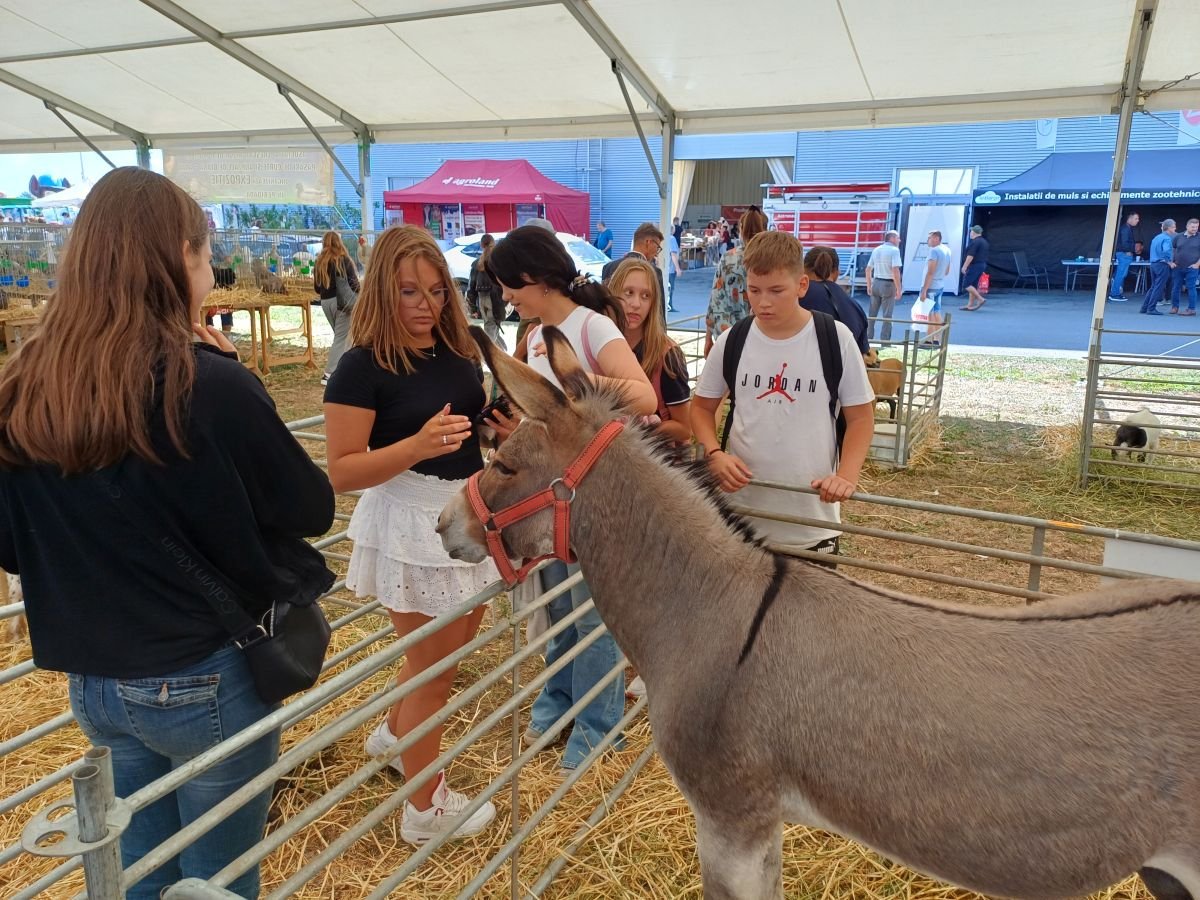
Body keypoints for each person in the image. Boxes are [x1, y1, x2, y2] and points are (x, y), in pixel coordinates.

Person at [0, 167, 335, 900]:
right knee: (216, 882)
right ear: (175, 256)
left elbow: (8, 542)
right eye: (203, 254)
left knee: (143, 871)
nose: (210, 272)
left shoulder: (23, 388)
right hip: (202, 676)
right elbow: (310, 509)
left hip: (95, 684)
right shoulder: (207, 384)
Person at [324, 225, 500, 845]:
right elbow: (341, 471)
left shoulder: (456, 352)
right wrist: (416, 446)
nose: (427, 304)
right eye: (409, 291)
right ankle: (424, 809)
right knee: (435, 671)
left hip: (464, 512)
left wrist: (491, 429)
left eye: (436, 290)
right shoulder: (359, 367)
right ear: (381, 292)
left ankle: (396, 736)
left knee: (437, 659)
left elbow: (466, 429)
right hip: (409, 522)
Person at [487, 225, 655, 775]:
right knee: (556, 608)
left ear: (534, 278)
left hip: (596, 498)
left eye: (511, 285)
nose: (507, 296)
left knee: (593, 617)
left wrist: (575, 393)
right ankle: (557, 703)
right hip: (551, 500)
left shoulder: (591, 326)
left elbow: (643, 394)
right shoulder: (536, 337)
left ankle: (598, 726)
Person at [691, 230, 875, 565]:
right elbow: (702, 407)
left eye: (777, 291)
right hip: (740, 519)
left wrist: (846, 476)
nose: (763, 302)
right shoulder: (734, 340)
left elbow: (861, 417)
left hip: (810, 522)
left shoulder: (835, 339)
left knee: (808, 616)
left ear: (802, 285)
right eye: (754, 290)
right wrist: (714, 453)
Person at [704, 205, 768, 356]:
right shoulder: (772, 260)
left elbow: (715, 299)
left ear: (741, 229)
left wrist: (708, 339)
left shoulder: (728, 257)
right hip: (763, 338)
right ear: (766, 229)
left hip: (729, 340)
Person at [802, 246, 871, 354]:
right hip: (841, 369)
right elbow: (859, 357)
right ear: (837, 272)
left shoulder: (793, 297)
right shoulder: (855, 307)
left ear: (803, 269)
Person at [314, 231, 360, 386]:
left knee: (342, 337)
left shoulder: (319, 261)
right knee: (342, 338)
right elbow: (354, 283)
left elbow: (316, 287)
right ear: (339, 242)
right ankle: (329, 374)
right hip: (342, 303)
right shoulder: (343, 259)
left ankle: (345, 370)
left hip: (325, 302)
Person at [467, 233, 507, 349]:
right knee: (492, 326)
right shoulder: (499, 263)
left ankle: (501, 353)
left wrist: (473, 307)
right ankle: (488, 355)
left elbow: (471, 287)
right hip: (497, 300)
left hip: (483, 300)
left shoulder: (476, 264)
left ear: (481, 245)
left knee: (491, 326)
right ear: (494, 244)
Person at [865, 230, 903, 342]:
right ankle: (884, 341)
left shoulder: (876, 249)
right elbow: (895, 270)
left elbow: (868, 269)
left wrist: (869, 285)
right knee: (887, 315)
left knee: (872, 314)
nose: (899, 240)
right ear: (892, 238)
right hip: (888, 284)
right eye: (898, 238)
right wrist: (899, 289)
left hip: (876, 282)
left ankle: (868, 338)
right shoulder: (894, 250)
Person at [919, 231, 952, 344]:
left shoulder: (934, 251)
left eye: (929, 238)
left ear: (936, 238)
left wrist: (924, 290)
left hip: (931, 286)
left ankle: (929, 340)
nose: (928, 240)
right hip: (940, 285)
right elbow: (947, 271)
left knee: (929, 313)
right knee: (937, 312)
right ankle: (937, 338)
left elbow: (930, 272)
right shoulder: (947, 250)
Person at [1141, 219, 1176, 316]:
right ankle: (1151, 308)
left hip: (1153, 264)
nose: (1175, 229)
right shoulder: (1167, 239)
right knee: (1158, 287)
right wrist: (1169, 262)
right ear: (1169, 228)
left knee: (1153, 286)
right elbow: (1166, 251)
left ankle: (1144, 307)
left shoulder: (1156, 237)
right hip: (1162, 265)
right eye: (1174, 227)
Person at [1168, 217, 1200, 317]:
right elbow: (1172, 249)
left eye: (1197, 227)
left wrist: (1197, 265)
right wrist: (1172, 262)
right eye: (1193, 226)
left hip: (1192, 268)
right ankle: (1175, 307)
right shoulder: (1178, 236)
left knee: (1191, 288)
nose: (1195, 229)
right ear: (1187, 226)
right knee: (1176, 287)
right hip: (1178, 267)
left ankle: (1191, 309)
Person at [1109, 211, 1140, 302]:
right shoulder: (1125, 229)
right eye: (1136, 218)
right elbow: (1124, 243)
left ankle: (1116, 291)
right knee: (1121, 274)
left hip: (1124, 254)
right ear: (1129, 218)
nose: (1137, 221)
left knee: (1121, 274)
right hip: (1124, 254)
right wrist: (1130, 250)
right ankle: (1114, 294)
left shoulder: (1127, 228)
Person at [961, 224, 990, 310]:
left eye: (971, 231)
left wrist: (964, 267)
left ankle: (980, 299)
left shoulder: (975, 242)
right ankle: (969, 305)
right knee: (973, 285)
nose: (970, 233)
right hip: (982, 265)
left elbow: (970, 255)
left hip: (975, 265)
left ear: (974, 232)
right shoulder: (984, 242)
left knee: (966, 284)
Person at [666, 230, 682, 314]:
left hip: (665, 268)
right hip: (670, 268)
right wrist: (677, 268)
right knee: (670, 288)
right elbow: (673, 254)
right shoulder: (671, 239)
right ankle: (669, 306)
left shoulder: (663, 238)